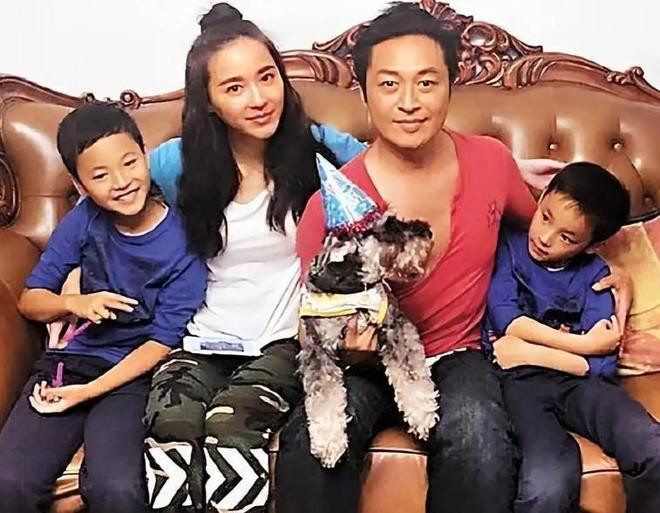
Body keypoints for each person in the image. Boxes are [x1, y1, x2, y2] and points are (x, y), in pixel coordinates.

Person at [275, 4, 537, 513]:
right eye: (390, 84)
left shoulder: (491, 161)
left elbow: (543, 237)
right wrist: (349, 350)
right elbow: (314, 321)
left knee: (478, 438)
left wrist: (610, 267)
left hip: (457, 352)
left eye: (427, 82)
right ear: (365, 93)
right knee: (310, 446)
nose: (410, 102)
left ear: (452, 86)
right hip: (363, 364)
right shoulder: (329, 208)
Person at [142, 4, 355, 513]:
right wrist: (73, 276)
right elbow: (104, 207)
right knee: (169, 423)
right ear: (210, 103)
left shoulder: (317, 150)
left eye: (267, 77)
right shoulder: (177, 163)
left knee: (231, 425)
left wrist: (500, 165)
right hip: (202, 336)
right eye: (235, 87)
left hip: (286, 339)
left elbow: (399, 162)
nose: (259, 99)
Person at [0, 103, 207, 513]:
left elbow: (161, 343)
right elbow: (30, 300)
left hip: (133, 377)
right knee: (10, 481)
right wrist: (74, 303)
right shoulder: (83, 222)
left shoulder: (185, 241)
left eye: (129, 163)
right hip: (69, 363)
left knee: (117, 487)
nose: (121, 182)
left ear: (145, 157)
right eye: (100, 175)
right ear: (80, 186)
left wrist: (86, 394)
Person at [483, 162, 660, 513]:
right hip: (517, 385)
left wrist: (529, 352)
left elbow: (601, 365)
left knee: (651, 445)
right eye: (545, 217)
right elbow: (507, 320)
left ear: (593, 245)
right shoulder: (508, 247)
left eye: (567, 237)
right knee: (550, 479)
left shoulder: (597, 275)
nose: (545, 237)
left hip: (580, 386)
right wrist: (582, 346)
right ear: (541, 198)